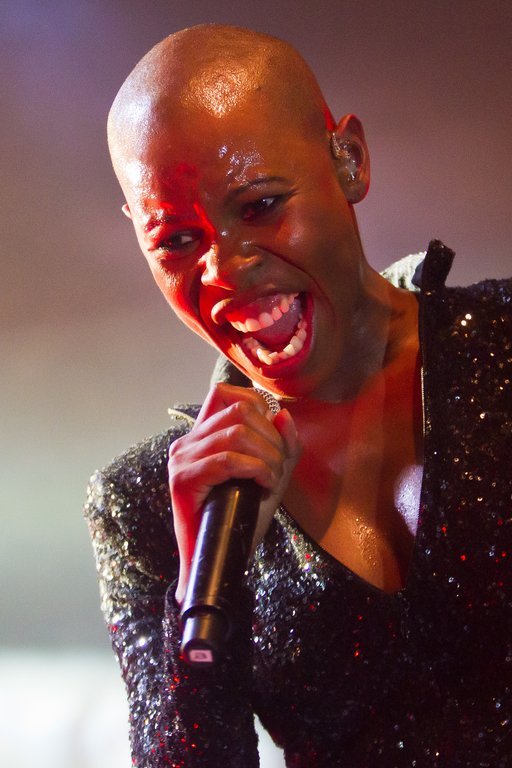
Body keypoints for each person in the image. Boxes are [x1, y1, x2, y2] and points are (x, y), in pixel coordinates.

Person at [85, 23, 512, 767]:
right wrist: (203, 586)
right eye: (177, 241)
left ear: (348, 160)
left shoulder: (499, 349)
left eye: (259, 206)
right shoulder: (146, 505)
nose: (224, 269)